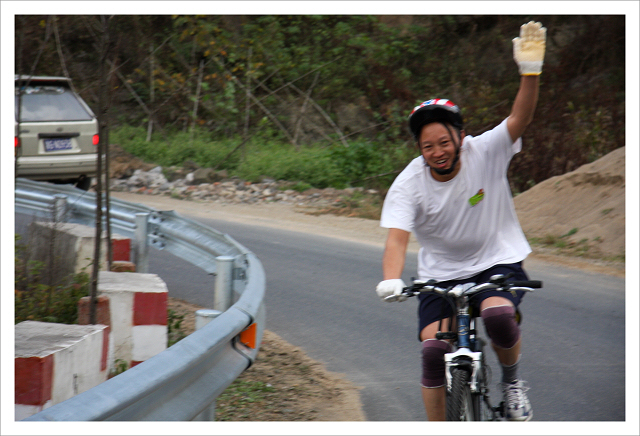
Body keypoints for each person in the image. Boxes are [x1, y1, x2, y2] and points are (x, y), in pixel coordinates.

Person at [375, 21, 546, 421]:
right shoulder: (409, 184)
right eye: (427, 146)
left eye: (444, 142)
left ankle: (512, 384)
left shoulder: (484, 152)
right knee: (433, 352)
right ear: (419, 149)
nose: (437, 151)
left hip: (496, 259)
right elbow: (397, 239)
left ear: (460, 136)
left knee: (499, 318)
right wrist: (391, 279)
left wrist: (530, 72)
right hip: (440, 274)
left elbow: (519, 118)